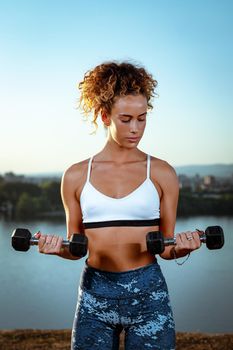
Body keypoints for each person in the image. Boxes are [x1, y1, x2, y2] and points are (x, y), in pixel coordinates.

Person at [35, 61, 202, 349]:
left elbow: (166, 247)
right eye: (126, 119)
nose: (136, 128)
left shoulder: (162, 173)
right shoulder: (76, 176)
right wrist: (56, 248)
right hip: (94, 294)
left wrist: (182, 247)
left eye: (142, 118)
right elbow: (78, 248)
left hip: (149, 293)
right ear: (104, 116)